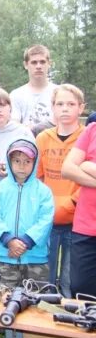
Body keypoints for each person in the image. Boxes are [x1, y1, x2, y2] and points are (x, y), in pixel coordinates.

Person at [36, 84, 85, 297]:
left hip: (78, 220)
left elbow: (89, 179)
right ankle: (42, 313)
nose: (65, 109)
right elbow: (36, 177)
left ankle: (70, 315)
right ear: (53, 108)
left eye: (71, 104)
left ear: (81, 108)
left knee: (70, 276)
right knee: (44, 273)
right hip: (47, 219)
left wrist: (73, 202)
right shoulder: (43, 138)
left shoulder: (88, 137)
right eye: (60, 104)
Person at [0, 139, 54, 287]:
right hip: (6, 257)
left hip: (35, 258)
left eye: (27, 161)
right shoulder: (0, 190)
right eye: (17, 161)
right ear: (9, 162)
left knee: (36, 302)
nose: (22, 166)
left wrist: (25, 242)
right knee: (6, 300)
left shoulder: (43, 191)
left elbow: (45, 220)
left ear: (35, 163)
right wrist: (9, 241)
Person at [61, 123, 96, 298]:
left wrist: (88, 166)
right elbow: (67, 169)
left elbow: (80, 166)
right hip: (85, 226)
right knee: (81, 288)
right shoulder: (92, 130)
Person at [0, 87, 33, 188]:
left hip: (15, 191)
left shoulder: (23, 133)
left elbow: (33, 162)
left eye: (3, 105)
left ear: (10, 108)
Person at [9, 44, 57, 134]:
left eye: (42, 62)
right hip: (26, 143)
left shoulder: (59, 92)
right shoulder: (16, 95)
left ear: (49, 64)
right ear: (26, 65)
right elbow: (13, 123)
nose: (38, 66)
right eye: (34, 62)